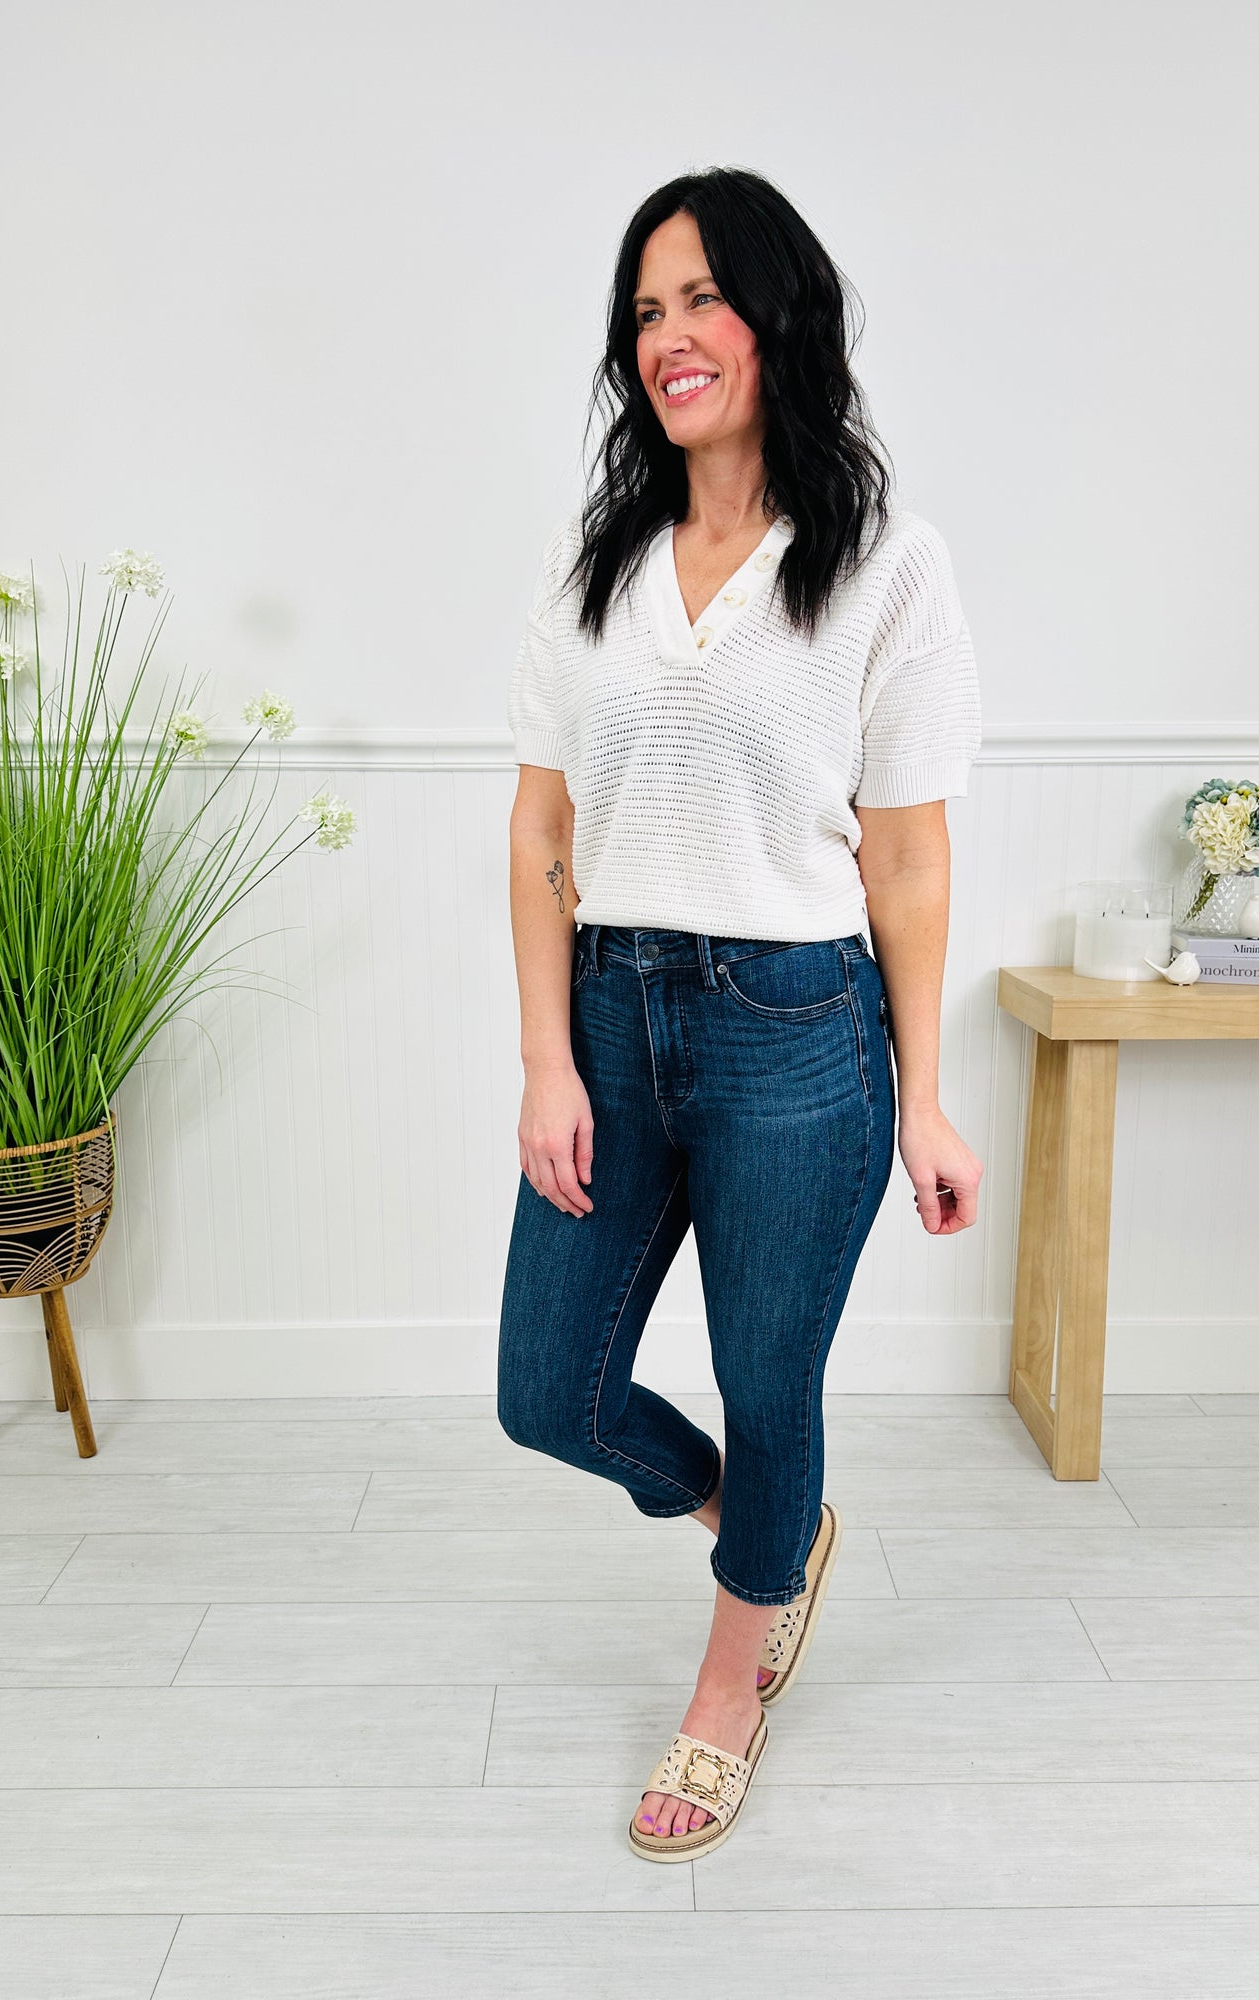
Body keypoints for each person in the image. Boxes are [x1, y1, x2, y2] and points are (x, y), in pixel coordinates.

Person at [497, 166, 984, 1862]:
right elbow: (541, 830)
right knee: (548, 1391)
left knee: (769, 1384)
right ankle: (766, 1536)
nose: (670, 335)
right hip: (612, 1018)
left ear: (781, 315)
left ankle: (727, 1686)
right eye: (646, 309)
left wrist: (926, 1093)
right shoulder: (600, 565)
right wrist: (547, 1059)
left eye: (703, 296)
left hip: (800, 1029)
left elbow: (907, 858)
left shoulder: (885, 566)